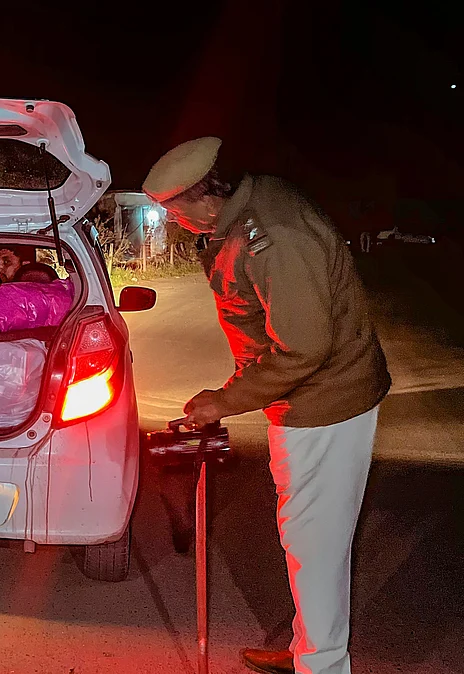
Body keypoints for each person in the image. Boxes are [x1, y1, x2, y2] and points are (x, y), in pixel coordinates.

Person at [143, 137, 390, 674]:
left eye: (171, 212)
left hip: (325, 405)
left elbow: (303, 347)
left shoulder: (272, 238)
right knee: (309, 536)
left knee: (315, 544)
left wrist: (223, 402)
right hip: (307, 399)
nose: (172, 223)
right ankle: (311, 647)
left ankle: (321, 665)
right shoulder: (249, 210)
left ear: (198, 199)